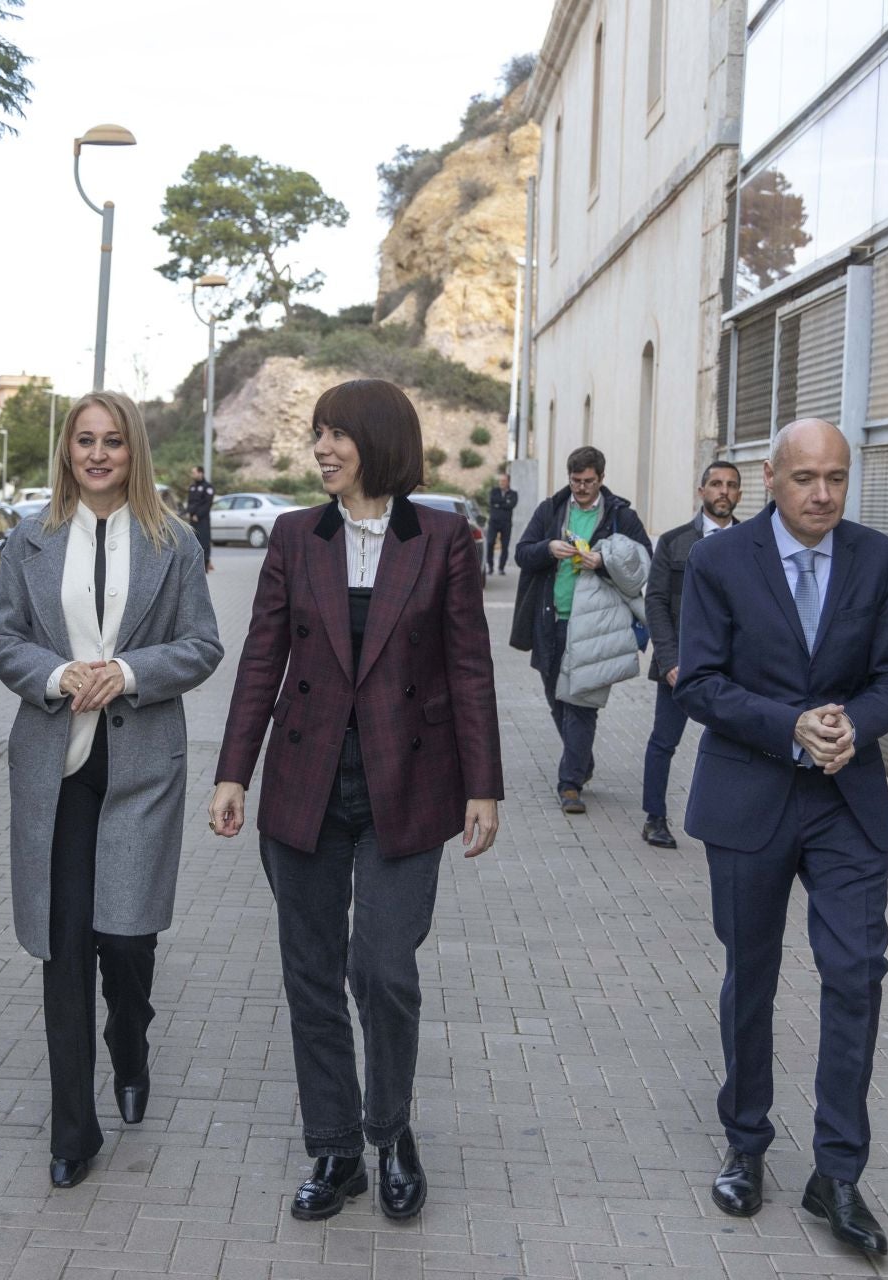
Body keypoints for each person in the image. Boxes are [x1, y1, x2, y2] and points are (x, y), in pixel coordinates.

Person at [210, 379, 502, 1224]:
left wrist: (483, 783)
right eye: (318, 436)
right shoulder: (298, 537)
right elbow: (262, 659)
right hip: (305, 785)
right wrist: (234, 771)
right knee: (309, 974)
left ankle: (392, 1130)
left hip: (405, 788)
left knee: (382, 968)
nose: (324, 450)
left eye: (338, 435)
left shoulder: (443, 537)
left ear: (380, 441)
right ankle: (335, 1147)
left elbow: (470, 669)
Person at [675, 419, 888, 1258]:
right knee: (753, 973)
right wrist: (791, 726)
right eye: (807, 477)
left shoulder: (879, 559)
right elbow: (700, 681)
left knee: (855, 971)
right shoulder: (717, 562)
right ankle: (747, 1143)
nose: (823, 494)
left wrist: (851, 722)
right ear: (770, 478)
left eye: (838, 479)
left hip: (845, 799)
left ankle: (838, 1173)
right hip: (750, 796)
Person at [0, 392, 223, 1189]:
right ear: (66, 451)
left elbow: (202, 645)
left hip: (140, 770)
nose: (95, 454)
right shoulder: (31, 538)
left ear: (133, 452)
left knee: (124, 941)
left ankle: (132, 1039)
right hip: (56, 772)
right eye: (83, 441)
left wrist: (127, 672)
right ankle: (72, 1130)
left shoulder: (173, 542)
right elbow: (2, 636)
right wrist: (56, 675)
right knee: (63, 951)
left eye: (111, 442)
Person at [509, 445, 650, 814]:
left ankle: (569, 783)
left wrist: (604, 562)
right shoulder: (552, 509)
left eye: (588, 482)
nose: (582, 488)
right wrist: (547, 548)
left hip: (595, 626)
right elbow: (521, 553)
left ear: (601, 479)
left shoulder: (620, 516)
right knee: (556, 698)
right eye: (576, 481)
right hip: (551, 621)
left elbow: (642, 563)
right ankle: (581, 761)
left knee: (581, 702)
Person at [638, 460, 740, 849]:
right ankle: (655, 818)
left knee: (736, 744)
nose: (723, 492)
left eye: (731, 485)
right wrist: (669, 661)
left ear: (739, 493)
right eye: (716, 484)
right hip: (681, 663)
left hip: (733, 667)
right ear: (701, 492)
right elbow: (657, 603)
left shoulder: (752, 541)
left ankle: (733, 819)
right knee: (664, 741)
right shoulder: (675, 541)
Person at [484, 470, 518, 574]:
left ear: (508, 482)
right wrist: (504, 502)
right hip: (493, 522)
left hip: (506, 523)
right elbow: (492, 502)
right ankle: (490, 566)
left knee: (505, 545)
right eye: (500, 481)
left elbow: (511, 505)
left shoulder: (513, 494)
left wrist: (499, 504)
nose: (501, 483)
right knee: (490, 543)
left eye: (504, 481)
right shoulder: (494, 491)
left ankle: (501, 568)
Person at [185, 465, 215, 572]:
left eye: (194, 472)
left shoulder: (208, 487)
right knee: (194, 541)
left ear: (201, 473)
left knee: (204, 541)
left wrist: (198, 515)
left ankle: (205, 564)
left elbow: (207, 504)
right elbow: (190, 502)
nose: (192, 474)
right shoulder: (192, 487)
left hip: (202, 520)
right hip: (192, 520)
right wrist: (188, 512)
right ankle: (195, 565)